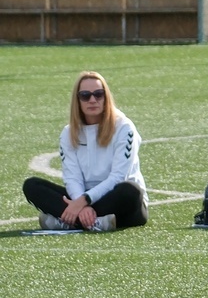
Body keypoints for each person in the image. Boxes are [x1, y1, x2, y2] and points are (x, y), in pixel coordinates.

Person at [23, 71, 148, 233]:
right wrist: (80, 204)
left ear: (106, 97)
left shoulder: (124, 128)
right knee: (32, 186)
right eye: (85, 96)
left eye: (98, 94)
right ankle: (96, 222)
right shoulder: (68, 133)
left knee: (131, 191)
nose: (92, 100)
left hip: (116, 197)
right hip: (81, 197)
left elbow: (118, 177)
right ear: (77, 100)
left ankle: (69, 221)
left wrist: (84, 201)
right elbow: (72, 177)